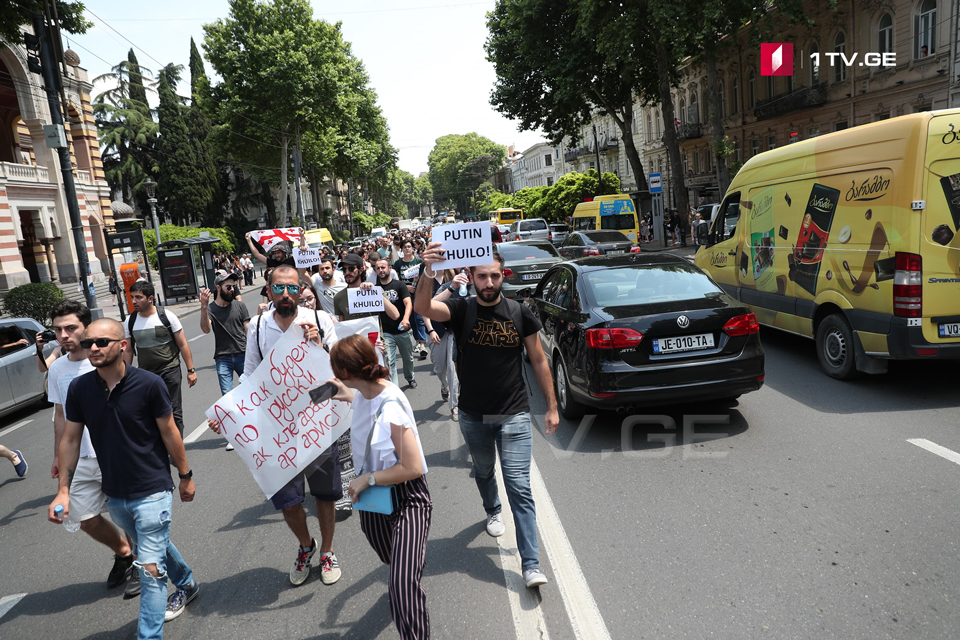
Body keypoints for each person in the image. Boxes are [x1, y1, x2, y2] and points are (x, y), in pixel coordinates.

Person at [415, 245, 559, 589]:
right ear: (472, 276)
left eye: (495, 275)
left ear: (502, 275)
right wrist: (429, 270)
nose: (489, 282)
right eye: (482, 276)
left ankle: (531, 564)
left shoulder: (519, 312)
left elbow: (539, 359)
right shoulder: (461, 309)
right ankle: (493, 509)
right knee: (483, 471)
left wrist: (552, 406)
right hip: (473, 415)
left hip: (514, 414)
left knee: (519, 487)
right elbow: (423, 308)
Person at [49, 318, 199, 638]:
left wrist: (185, 475)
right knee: (152, 546)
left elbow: (169, 432)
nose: (93, 348)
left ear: (122, 345)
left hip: (153, 488)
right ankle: (187, 583)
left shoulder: (149, 384)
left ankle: (148, 635)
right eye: (88, 343)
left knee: (150, 568)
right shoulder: (80, 389)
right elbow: (71, 439)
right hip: (116, 494)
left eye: (101, 342)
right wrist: (63, 490)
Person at [215, 265, 344, 587]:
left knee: (324, 494)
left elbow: (339, 368)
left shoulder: (319, 320)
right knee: (287, 499)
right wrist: (227, 412)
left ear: (300, 289)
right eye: (278, 288)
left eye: (292, 288)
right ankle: (306, 545)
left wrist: (320, 345)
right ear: (268, 290)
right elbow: (249, 374)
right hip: (276, 425)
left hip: (316, 421)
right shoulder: (259, 326)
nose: (286, 294)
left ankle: (327, 551)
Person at [327, 335, 431, 640]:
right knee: (389, 555)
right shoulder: (364, 392)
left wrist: (368, 478)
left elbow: (412, 467)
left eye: (335, 369)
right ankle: (406, 567)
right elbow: (358, 400)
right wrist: (344, 393)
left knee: (401, 584)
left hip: (408, 497)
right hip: (374, 499)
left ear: (346, 372)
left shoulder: (391, 407)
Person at [47, 300, 139, 594]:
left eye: (70, 328)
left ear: (86, 327)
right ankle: (125, 553)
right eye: (58, 330)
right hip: (80, 456)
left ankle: (140, 565)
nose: (64, 335)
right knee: (84, 518)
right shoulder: (57, 369)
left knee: (129, 514)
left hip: (114, 452)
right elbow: (60, 416)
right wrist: (58, 455)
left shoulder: (104, 358)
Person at [123, 281, 198, 437]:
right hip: (146, 374)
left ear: (150, 298)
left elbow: (183, 344)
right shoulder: (130, 321)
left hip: (170, 370)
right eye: (132, 297)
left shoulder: (166, 316)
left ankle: (177, 444)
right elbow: (128, 350)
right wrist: (123, 375)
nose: (134, 301)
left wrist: (191, 370)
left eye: (138, 297)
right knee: (150, 411)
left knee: (174, 409)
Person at [199, 272, 250, 451]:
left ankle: (255, 428)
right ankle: (234, 435)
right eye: (228, 287)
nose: (232, 289)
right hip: (223, 358)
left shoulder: (240, 306)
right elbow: (206, 329)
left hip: (243, 354)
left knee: (250, 395)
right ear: (218, 288)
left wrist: (254, 352)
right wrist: (203, 307)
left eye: (233, 286)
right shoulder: (211, 309)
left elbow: (248, 330)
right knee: (228, 398)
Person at [423, 269, 471, 421]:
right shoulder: (447, 285)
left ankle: (455, 406)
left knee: (452, 369)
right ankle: (444, 386)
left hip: (457, 334)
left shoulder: (479, 285)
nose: (467, 270)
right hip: (439, 331)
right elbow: (428, 307)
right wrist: (431, 330)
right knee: (439, 368)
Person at [375, 257, 417, 389]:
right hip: (386, 332)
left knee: (408, 359)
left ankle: (410, 377)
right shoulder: (374, 289)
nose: (381, 270)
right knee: (390, 362)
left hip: (403, 330)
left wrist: (406, 319)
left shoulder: (399, 285)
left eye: (383, 267)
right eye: (378, 268)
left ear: (389, 268)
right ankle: (395, 389)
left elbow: (408, 303)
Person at [394, 239, 428, 361]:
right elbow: (395, 280)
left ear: (413, 248)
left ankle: (423, 344)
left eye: (409, 246)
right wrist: (405, 286)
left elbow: (427, 276)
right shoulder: (398, 263)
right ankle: (418, 341)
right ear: (402, 250)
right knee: (411, 319)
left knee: (419, 318)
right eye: (405, 247)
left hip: (418, 293)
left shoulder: (419, 261)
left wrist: (419, 280)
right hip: (405, 294)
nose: (407, 249)